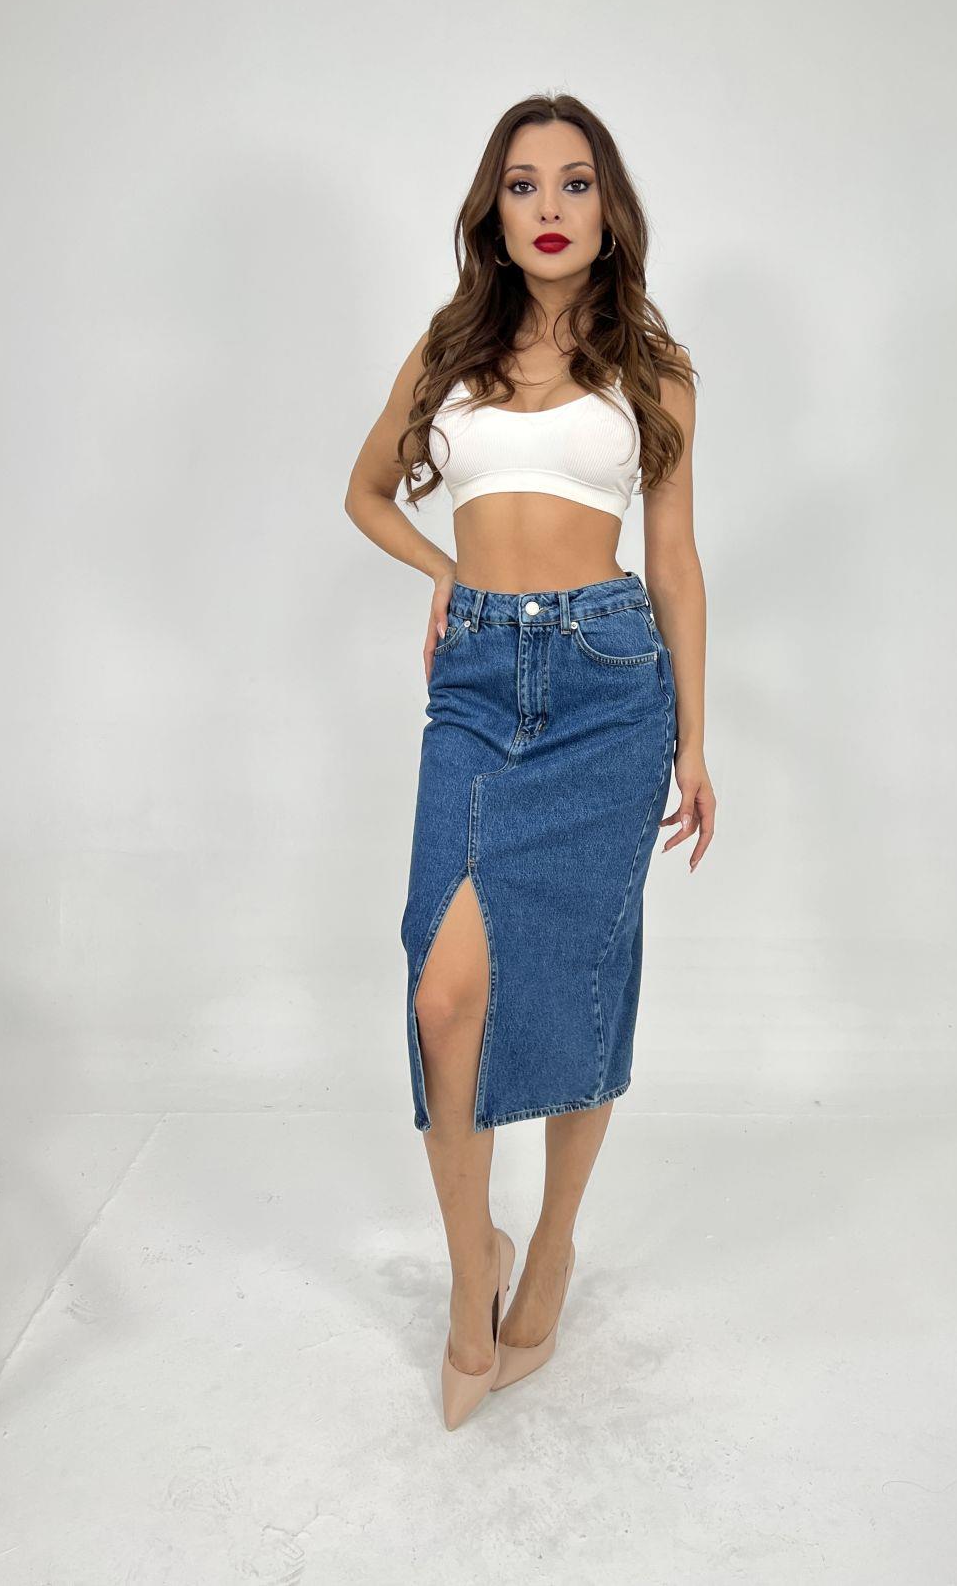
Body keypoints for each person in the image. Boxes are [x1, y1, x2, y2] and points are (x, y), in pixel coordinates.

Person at [343, 92, 715, 1427]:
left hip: (611, 686)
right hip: (478, 685)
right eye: (521, 184)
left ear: (608, 209)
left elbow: (673, 561)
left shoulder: (653, 370)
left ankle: (551, 1242)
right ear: (491, 212)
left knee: (579, 979)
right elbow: (365, 491)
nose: (548, 206)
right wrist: (446, 571)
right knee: (444, 996)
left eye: (573, 182)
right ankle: (471, 1273)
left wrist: (694, 739)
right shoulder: (448, 350)